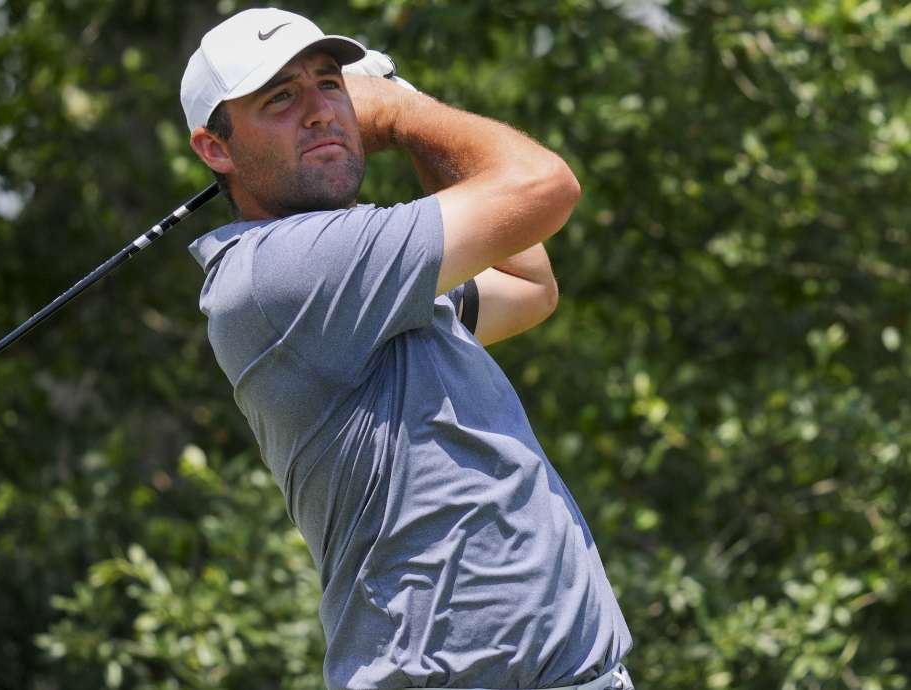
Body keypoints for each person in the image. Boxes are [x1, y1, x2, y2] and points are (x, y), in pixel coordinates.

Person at [180, 8, 634, 690]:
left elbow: (527, 285)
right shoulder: (283, 272)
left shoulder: (366, 283)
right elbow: (544, 187)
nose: (320, 111)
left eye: (330, 84)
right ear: (216, 149)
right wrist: (401, 114)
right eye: (280, 98)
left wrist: (407, 108)